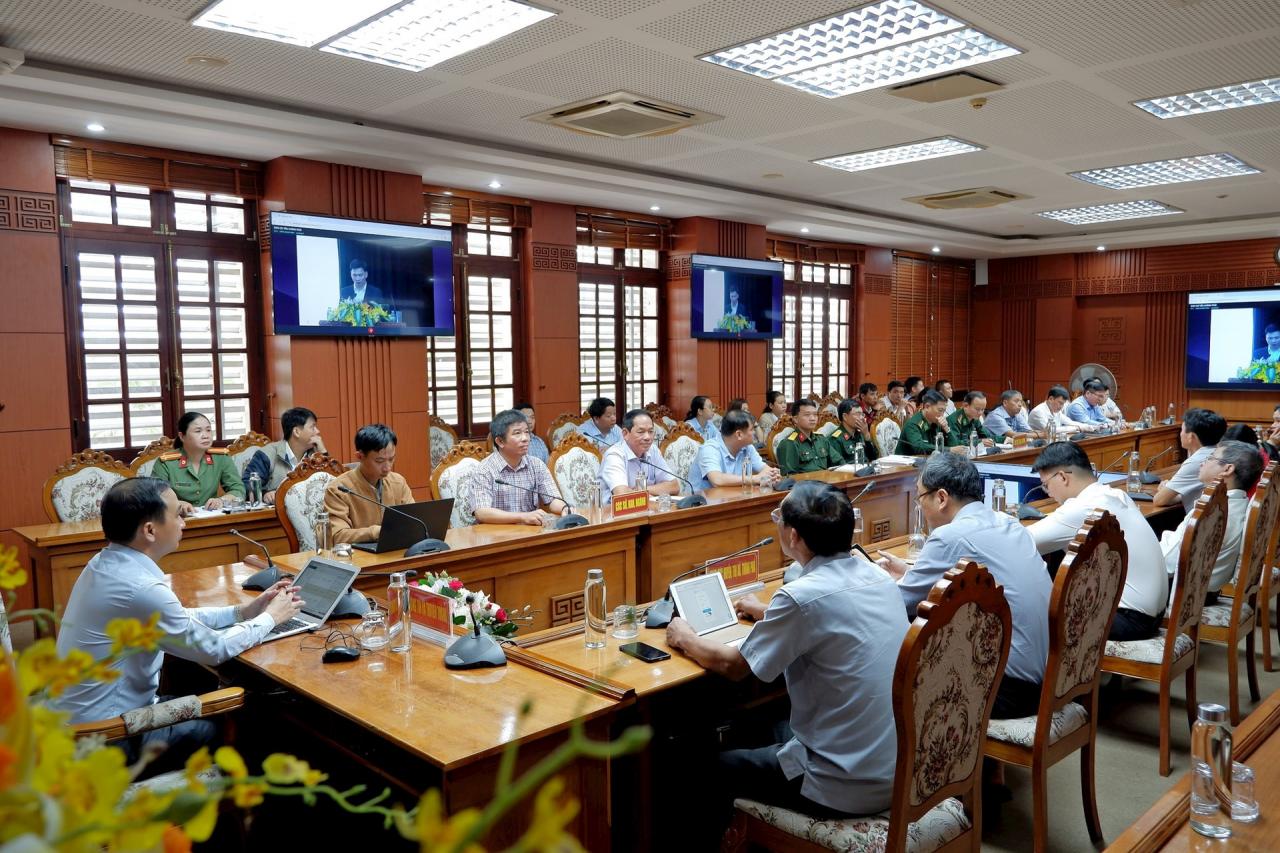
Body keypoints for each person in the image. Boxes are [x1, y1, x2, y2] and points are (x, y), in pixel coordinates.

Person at [666, 482, 907, 834]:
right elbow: (828, 617)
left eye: (778, 518)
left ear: (793, 536)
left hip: (839, 786)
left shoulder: (801, 596)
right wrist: (768, 612)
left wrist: (685, 637)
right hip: (894, 767)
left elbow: (734, 668)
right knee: (756, 722)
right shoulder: (877, 577)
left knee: (699, 766)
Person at [55, 478, 303, 773]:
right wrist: (271, 618)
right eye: (176, 514)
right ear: (150, 530)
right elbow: (215, 649)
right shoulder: (141, 588)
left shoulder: (105, 564)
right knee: (248, 716)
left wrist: (243, 612)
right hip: (110, 738)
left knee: (199, 685)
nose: (184, 520)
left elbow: (180, 618)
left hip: (81, 725)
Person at [877, 454, 1049, 718]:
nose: (920, 506)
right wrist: (911, 572)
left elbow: (900, 602)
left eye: (921, 498)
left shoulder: (949, 536)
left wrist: (877, 579)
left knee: (895, 659)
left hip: (1006, 689)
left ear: (942, 497)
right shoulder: (1008, 522)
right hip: (1049, 674)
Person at [1026, 442, 1166, 641]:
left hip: (1127, 619)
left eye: (1046, 485)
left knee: (1033, 615)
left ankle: (1049, 671)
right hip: (1152, 614)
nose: (1048, 493)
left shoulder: (1082, 507)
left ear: (1063, 477)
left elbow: (1023, 542)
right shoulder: (1116, 495)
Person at [1159, 440, 1260, 600]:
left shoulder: (1211, 513)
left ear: (1227, 469)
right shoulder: (1239, 503)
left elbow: (1165, 564)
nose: (1203, 462)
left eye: (1210, 458)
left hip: (1181, 595)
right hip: (1204, 592)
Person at [467, 409, 569, 525]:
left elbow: (553, 499)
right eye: (517, 433)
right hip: (495, 535)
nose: (525, 438)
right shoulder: (484, 470)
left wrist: (564, 508)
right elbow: (482, 512)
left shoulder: (536, 465)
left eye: (526, 432)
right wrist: (522, 517)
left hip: (530, 533)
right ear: (500, 441)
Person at [324, 423, 414, 543]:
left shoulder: (398, 482)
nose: (387, 468)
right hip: (358, 557)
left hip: (394, 550)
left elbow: (414, 520)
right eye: (379, 461)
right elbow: (337, 536)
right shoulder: (339, 489)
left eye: (391, 459)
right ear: (360, 456)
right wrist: (374, 532)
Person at [152, 411, 244, 514]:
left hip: (212, 518)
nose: (205, 436)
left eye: (208, 430)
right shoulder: (166, 463)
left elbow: (238, 489)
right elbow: (155, 496)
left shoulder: (221, 457)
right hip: (177, 519)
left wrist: (222, 500)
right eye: (198, 431)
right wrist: (177, 504)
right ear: (182, 436)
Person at [240, 406, 327, 504]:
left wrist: (323, 452)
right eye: (312, 427)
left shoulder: (315, 454)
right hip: (276, 513)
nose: (317, 431)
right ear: (297, 432)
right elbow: (247, 485)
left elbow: (331, 483)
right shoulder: (267, 454)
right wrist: (265, 494)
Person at [597, 409, 680, 503]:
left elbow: (674, 486)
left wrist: (642, 490)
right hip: (612, 513)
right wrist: (651, 492)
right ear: (625, 434)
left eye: (651, 431)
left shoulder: (653, 450)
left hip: (647, 510)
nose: (647, 437)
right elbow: (621, 494)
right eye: (641, 432)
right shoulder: (614, 455)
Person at [1154, 407, 1227, 512]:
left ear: (1191, 436)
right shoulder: (1221, 453)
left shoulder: (1195, 462)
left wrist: (1162, 488)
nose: (1180, 434)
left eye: (1182, 430)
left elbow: (1159, 500)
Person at [691, 409, 781, 490]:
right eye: (752, 429)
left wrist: (772, 475)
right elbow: (717, 480)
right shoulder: (710, 449)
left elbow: (763, 468)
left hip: (732, 497)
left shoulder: (747, 447)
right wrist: (754, 479)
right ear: (739, 434)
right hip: (702, 504)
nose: (754, 433)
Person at [776, 399, 834, 474]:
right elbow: (789, 478)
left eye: (815, 414)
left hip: (828, 482)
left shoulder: (821, 439)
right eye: (807, 415)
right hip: (806, 484)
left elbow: (839, 462)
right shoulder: (789, 444)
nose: (813, 418)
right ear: (795, 419)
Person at [895, 389, 951, 455]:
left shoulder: (936, 422)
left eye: (944, 411)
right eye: (940, 410)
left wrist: (947, 430)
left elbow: (955, 448)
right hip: (905, 463)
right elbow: (919, 448)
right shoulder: (913, 424)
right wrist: (949, 450)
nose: (942, 415)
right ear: (927, 407)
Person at [826, 399, 879, 465]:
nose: (862, 418)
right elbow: (837, 466)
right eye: (857, 414)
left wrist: (866, 435)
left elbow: (873, 458)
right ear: (845, 417)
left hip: (866, 471)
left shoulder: (861, 433)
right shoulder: (835, 439)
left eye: (862, 414)